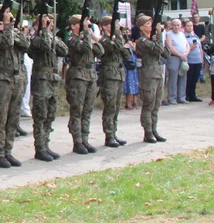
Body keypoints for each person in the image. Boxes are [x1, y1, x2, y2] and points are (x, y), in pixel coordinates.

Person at [0, 4, 30, 166]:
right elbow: (6, 43)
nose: (10, 15)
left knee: (13, 118)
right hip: (1, 79)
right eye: (7, 12)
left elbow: (26, 44)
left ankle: (8, 150)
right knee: (1, 118)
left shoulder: (12, 30)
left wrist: (10, 29)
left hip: (16, 78)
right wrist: (8, 29)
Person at [28, 13, 67, 161]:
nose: (50, 25)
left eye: (50, 23)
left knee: (50, 114)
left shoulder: (51, 38)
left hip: (53, 80)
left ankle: (45, 144)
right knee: (40, 115)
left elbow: (64, 51)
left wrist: (50, 34)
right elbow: (43, 46)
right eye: (46, 23)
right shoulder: (36, 40)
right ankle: (40, 148)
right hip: (41, 80)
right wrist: (43, 30)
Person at [63, 13, 104, 155]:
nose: (85, 26)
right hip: (78, 77)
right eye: (81, 23)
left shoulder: (86, 38)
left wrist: (91, 37)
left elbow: (100, 50)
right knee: (77, 110)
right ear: (74, 25)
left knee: (87, 110)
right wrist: (86, 34)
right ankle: (77, 141)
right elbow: (85, 49)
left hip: (91, 76)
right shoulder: (71, 38)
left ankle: (85, 138)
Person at [98, 16, 132, 147]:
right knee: (110, 106)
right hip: (109, 75)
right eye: (112, 26)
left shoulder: (116, 39)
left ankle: (114, 132)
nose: (116, 29)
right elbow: (116, 47)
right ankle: (109, 135)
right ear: (105, 26)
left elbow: (127, 54)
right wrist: (118, 35)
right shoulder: (104, 40)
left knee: (117, 106)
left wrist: (121, 42)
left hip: (118, 74)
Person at [135, 15, 169, 143]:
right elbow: (159, 49)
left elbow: (166, 53)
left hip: (158, 73)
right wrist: (159, 35)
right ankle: (147, 131)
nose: (151, 25)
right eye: (148, 23)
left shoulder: (152, 40)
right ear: (141, 27)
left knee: (156, 104)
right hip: (149, 74)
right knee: (148, 104)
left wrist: (158, 38)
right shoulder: (142, 41)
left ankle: (154, 129)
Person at [164, 18, 189, 105]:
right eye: (174, 25)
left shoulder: (182, 34)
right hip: (174, 57)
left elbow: (187, 45)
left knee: (183, 76)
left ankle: (181, 97)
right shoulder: (168, 34)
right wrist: (180, 54)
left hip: (183, 57)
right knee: (173, 77)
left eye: (178, 25)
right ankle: (172, 98)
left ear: (180, 25)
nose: (176, 27)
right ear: (171, 25)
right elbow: (170, 46)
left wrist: (186, 53)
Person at [182, 18, 203, 103]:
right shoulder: (183, 36)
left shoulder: (195, 36)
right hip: (189, 60)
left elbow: (200, 48)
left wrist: (202, 59)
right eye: (188, 26)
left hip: (197, 59)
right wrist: (191, 48)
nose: (190, 27)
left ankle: (193, 95)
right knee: (189, 78)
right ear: (184, 27)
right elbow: (183, 48)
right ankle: (187, 95)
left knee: (195, 78)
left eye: (191, 26)